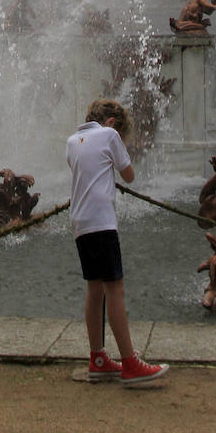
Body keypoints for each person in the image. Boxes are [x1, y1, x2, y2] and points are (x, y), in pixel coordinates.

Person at [66, 99, 168, 386]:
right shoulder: (109, 135)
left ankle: (98, 358)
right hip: (101, 221)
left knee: (94, 288)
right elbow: (130, 175)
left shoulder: (72, 141)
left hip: (80, 222)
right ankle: (130, 362)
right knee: (115, 289)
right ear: (112, 123)